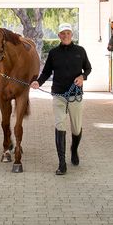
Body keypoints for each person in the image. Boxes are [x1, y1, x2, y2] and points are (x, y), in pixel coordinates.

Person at [31, 22, 92, 175]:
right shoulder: (53, 53)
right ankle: (62, 163)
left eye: (68, 33)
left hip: (75, 96)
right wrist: (38, 82)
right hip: (58, 95)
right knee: (60, 125)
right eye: (62, 34)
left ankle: (74, 150)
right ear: (59, 36)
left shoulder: (80, 51)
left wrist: (82, 76)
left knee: (76, 128)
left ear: (72, 35)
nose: (65, 36)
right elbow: (46, 72)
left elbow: (88, 68)